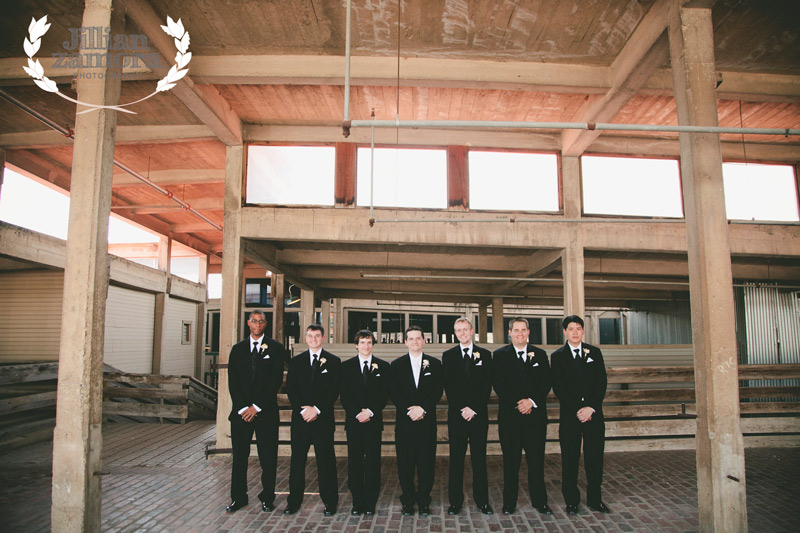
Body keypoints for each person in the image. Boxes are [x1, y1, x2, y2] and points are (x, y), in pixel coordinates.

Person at [225, 310, 286, 513]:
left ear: (265, 324)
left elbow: (275, 380)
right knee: (239, 457)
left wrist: (257, 407)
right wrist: (244, 408)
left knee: (268, 458)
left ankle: (267, 498)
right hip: (241, 413)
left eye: (261, 321)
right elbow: (233, 381)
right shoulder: (237, 349)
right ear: (248, 323)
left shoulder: (276, 348)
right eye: (254, 321)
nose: (257, 324)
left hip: (265, 412)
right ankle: (238, 498)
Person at [550, 315, 610, 515]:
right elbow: (559, 386)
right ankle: (572, 501)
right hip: (570, 416)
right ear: (565, 332)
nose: (575, 332)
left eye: (578, 328)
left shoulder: (594, 352)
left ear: (583, 331)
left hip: (593, 415)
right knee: (570, 458)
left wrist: (591, 407)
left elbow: (601, 382)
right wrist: (578, 409)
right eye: (571, 329)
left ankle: (595, 499)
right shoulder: (558, 356)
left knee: (595, 457)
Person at [492, 317, 552, 516]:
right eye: (516, 330)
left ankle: (540, 502)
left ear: (528, 332)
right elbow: (498, 384)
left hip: (535, 417)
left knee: (536, 462)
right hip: (510, 418)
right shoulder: (499, 355)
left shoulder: (540, 354)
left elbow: (546, 382)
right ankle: (509, 503)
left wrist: (531, 401)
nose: (520, 333)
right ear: (509, 333)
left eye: (523, 330)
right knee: (511, 463)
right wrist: (518, 403)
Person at [284, 324, 341, 516]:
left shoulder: (333, 361)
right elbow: (291, 388)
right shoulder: (296, 361)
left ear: (323, 338)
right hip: (301, 419)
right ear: (306, 338)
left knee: (326, 462)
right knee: (297, 461)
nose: (313, 339)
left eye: (317, 336)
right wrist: (304, 410)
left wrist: (316, 409)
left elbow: (334, 389)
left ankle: (330, 502)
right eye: (310, 336)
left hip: (322, 419)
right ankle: (293, 502)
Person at [389, 326, 443, 516]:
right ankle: (408, 501)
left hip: (426, 422)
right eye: (411, 339)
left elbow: (437, 390)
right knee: (405, 464)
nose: (414, 341)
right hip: (405, 422)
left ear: (424, 341)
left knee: (426, 463)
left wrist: (423, 408)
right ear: (405, 342)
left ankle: (424, 501)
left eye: (418, 338)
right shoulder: (396, 365)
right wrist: (410, 409)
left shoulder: (435, 364)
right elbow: (394, 392)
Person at [442, 317, 494, 515]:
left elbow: (486, 384)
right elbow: (449, 385)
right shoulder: (448, 356)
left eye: (465, 329)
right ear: (455, 333)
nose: (462, 333)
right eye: (459, 330)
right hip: (457, 416)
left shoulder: (485, 355)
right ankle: (455, 502)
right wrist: (462, 408)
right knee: (456, 459)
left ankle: (482, 501)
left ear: (472, 331)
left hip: (478, 415)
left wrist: (474, 408)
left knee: (479, 459)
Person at [339, 330, 391, 516]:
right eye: (362, 342)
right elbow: (344, 395)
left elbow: (384, 393)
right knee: (355, 461)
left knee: (372, 462)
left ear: (373, 345)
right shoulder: (346, 367)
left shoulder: (383, 366)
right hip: (354, 422)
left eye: (369, 342)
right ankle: (357, 501)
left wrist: (370, 411)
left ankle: (370, 501)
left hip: (373, 421)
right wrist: (357, 413)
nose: (366, 346)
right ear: (356, 345)